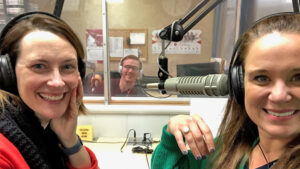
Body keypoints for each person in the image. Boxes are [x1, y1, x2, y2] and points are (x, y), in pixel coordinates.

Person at [151, 12, 300, 169]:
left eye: (298, 77)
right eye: (261, 78)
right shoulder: (226, 149)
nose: (278, 95)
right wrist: (171, 140)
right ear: (238, 84)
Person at [0, 12, 99, 169]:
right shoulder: (3, 155)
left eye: (67, 66)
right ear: (7, 73)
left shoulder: (46, 135)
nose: (57, 82)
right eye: (39, 66)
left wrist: (70, 139)